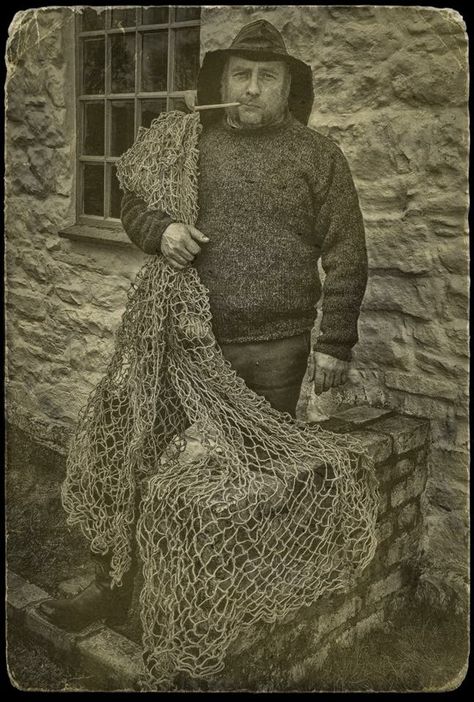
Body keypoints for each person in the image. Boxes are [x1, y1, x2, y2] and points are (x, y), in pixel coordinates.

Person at [39, 19, 367, 633]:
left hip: (276, 349)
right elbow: (134, 200)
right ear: (221, 80)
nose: (250, 88)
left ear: (288, 87)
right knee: (134, 461)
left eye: (266, 77)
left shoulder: (319, 157)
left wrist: (336, 344)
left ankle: (223, 605)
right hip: (182, 343)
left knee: (251, 483)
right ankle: (110, 592)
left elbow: (347, 252)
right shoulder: (184, 147)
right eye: (239, 75)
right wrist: (160, 231)